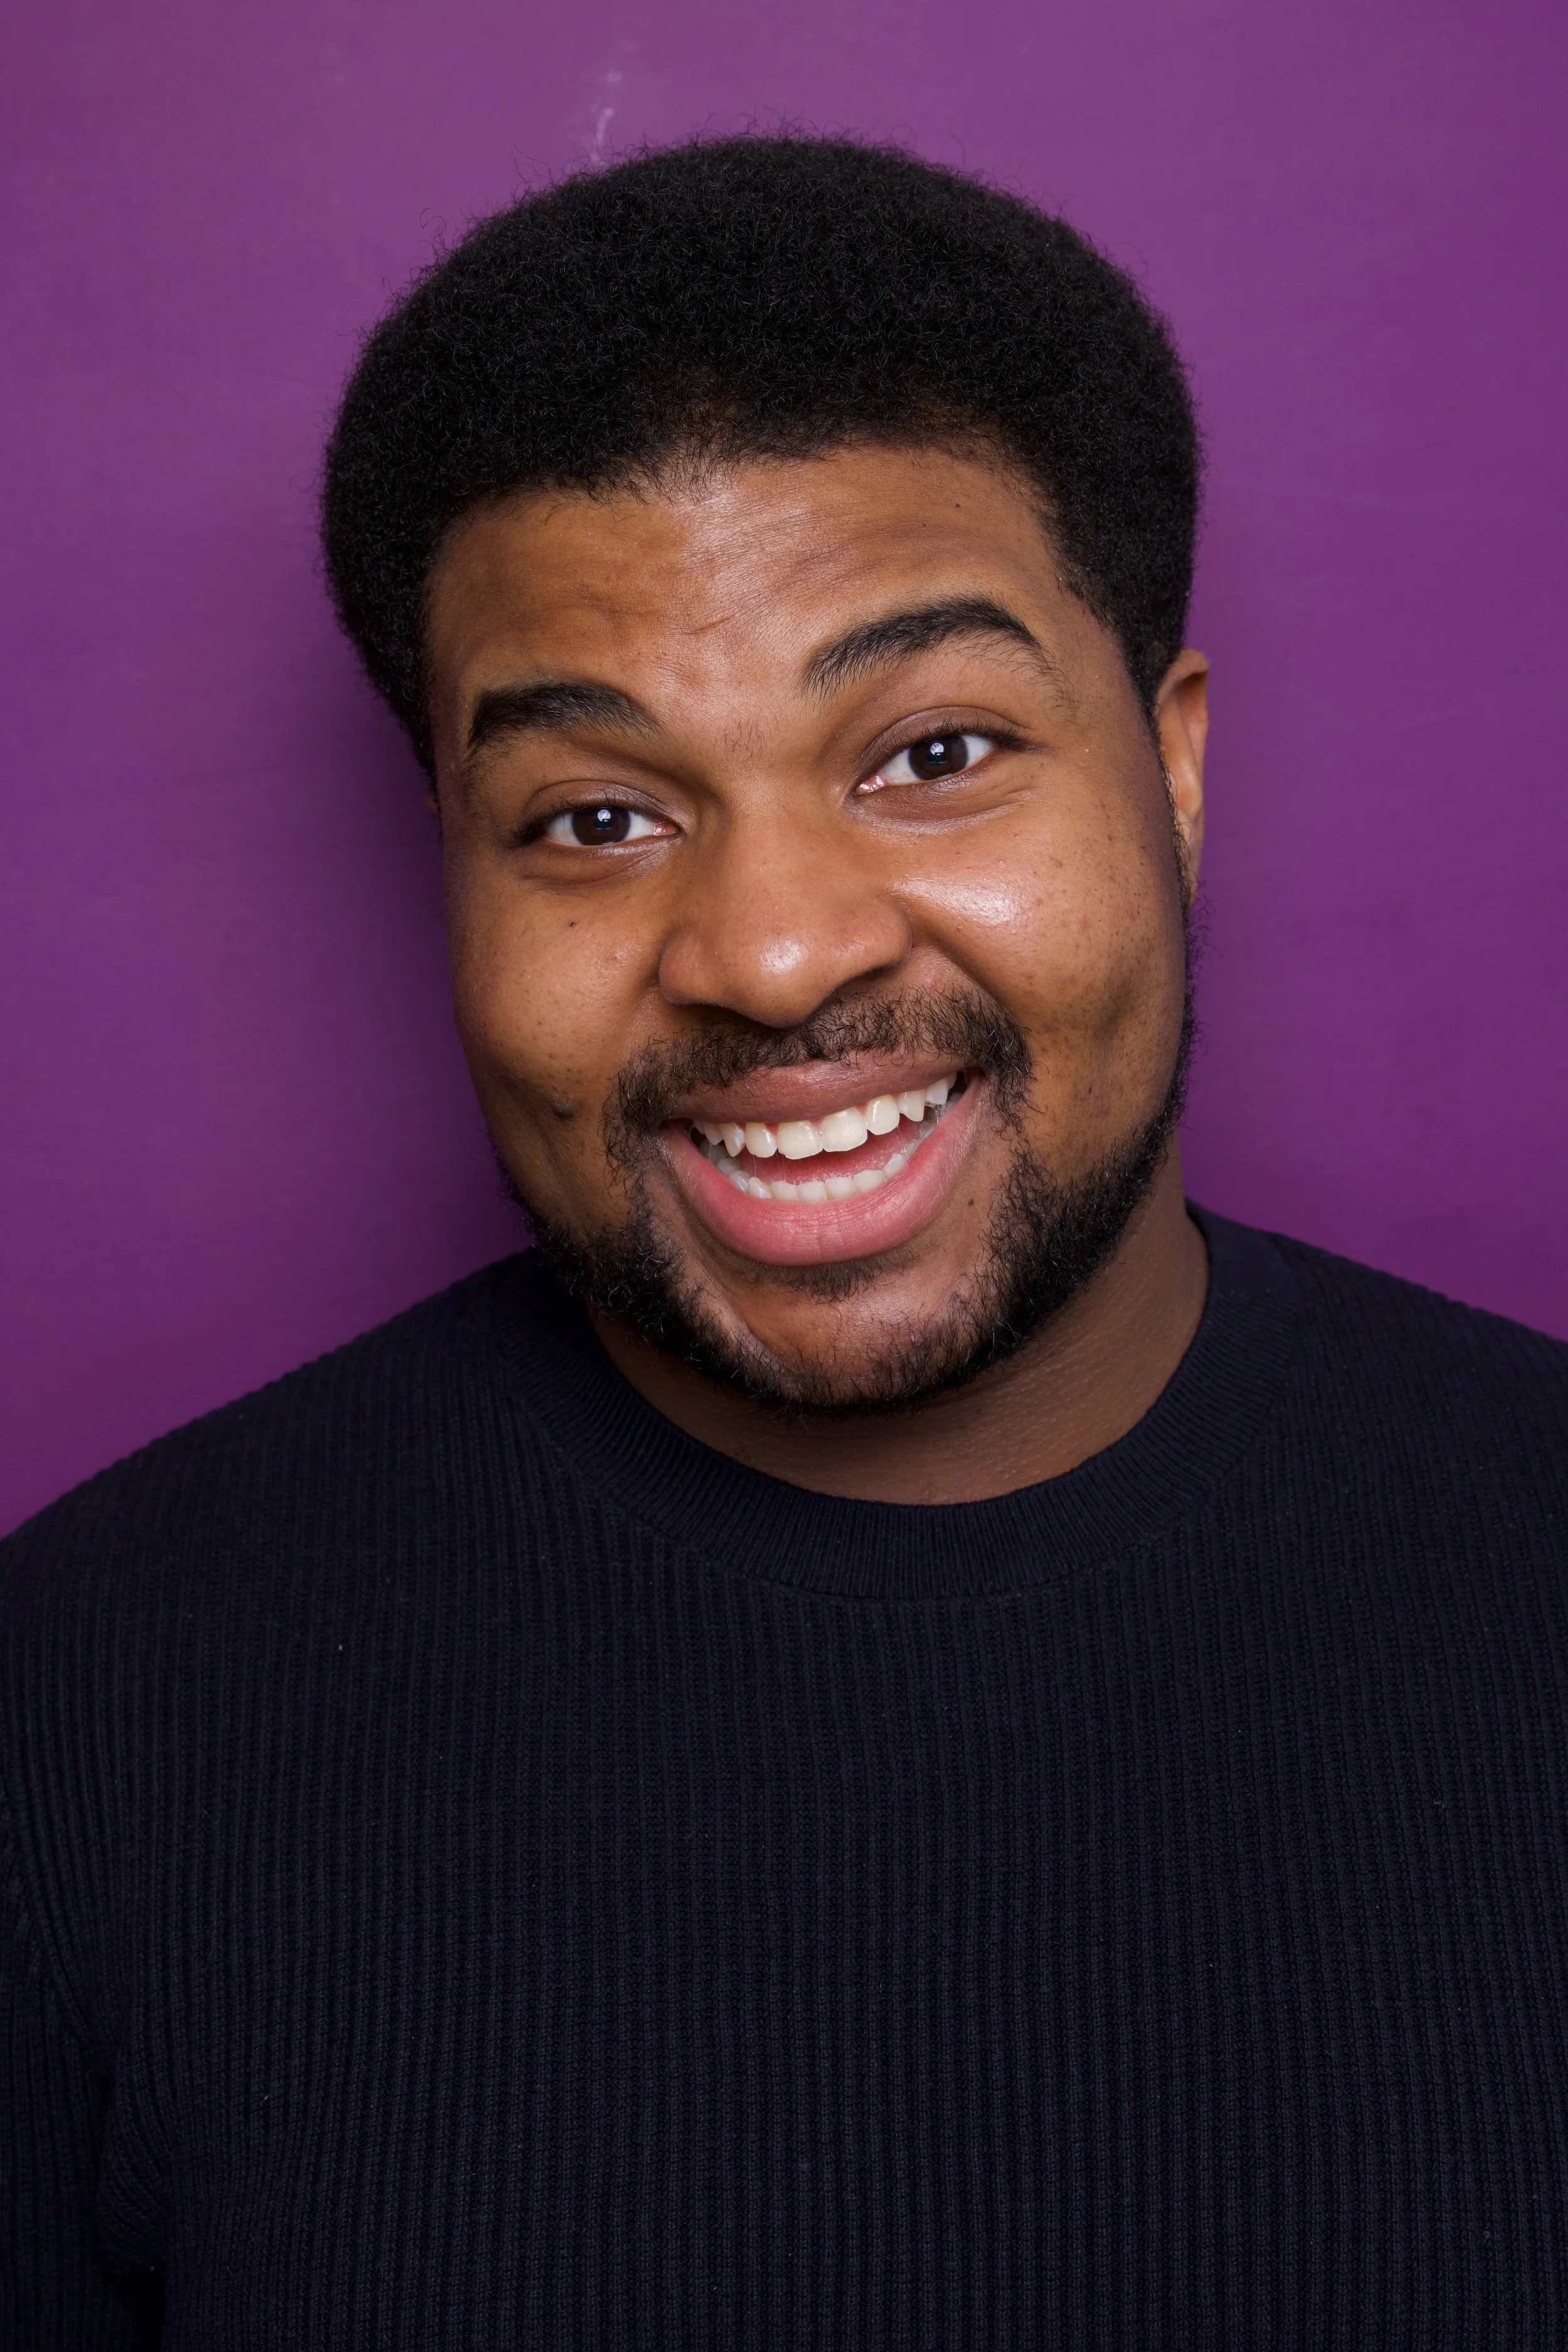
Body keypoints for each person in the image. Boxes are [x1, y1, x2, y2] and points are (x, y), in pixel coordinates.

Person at [4, 134, 1566, 2348]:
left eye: (931, 749)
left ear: (1172, 772)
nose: (764, 949)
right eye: (596, 816)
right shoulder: (74, 1723)